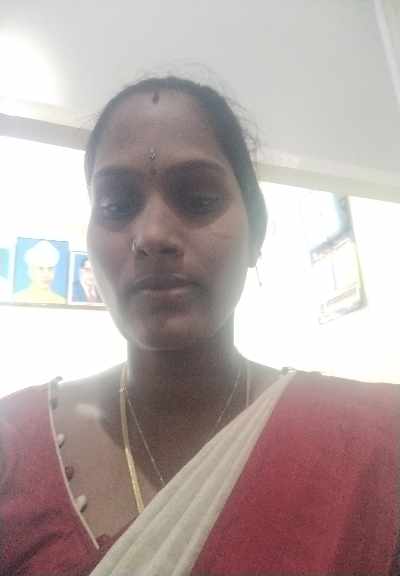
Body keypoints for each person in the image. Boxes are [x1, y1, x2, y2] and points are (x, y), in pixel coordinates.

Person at [0, 77, 398, 576]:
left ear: (257, 230)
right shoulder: (12, 445)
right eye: (117, 205)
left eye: (199, 199)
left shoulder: (377, 442)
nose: (152, 235)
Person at [13, 239, 66, 304]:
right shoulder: (17, 299)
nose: (46, 274)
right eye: (40, 269)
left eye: (50, 269)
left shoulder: (61, 301)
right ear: (30, 271)